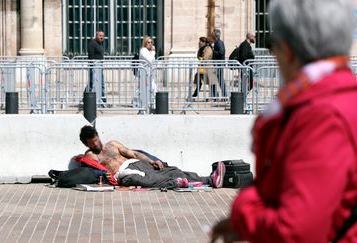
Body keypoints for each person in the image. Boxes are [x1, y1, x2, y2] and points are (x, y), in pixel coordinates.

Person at [211, 0, 357, 242]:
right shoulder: (339, 96)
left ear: (287, 49)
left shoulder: (321, 116)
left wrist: (243, 207)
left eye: (272, 44)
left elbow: (298, 230)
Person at [79, 125, 226, 189]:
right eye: (92, 143)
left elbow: (133, 153)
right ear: (87, 144)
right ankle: (175, 183)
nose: (96, 144)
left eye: (96, 139)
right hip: (123, 173)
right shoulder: (91, 155)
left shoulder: (112, 144)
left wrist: (151, 161)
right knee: (142, 179)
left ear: (98, 135)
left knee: (171, 170)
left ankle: (210, 179)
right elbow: (93, 170)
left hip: (136, 163)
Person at [87, 31, 106, 103]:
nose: (101, 37)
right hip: (94, 67)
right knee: (93, 83)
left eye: (103, 36)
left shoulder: (100, 43)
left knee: (99, 83)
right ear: (96, 35)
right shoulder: (92, 44)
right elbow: (91, 56)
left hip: (99, 67)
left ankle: (102, 99)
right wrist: (93, 65)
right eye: (100, 35)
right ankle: (88, 99)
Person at [211, 28, 226, 97]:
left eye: (212, 34)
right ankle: (215, 95)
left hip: (219, 65)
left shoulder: (219, 42)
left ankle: (224, 95)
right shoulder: (216, 42)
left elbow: (221, 52)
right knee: (214, 80)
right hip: (216, 65)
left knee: (220, 80)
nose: (211, 35)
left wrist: (213, 51)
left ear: (215, 35)